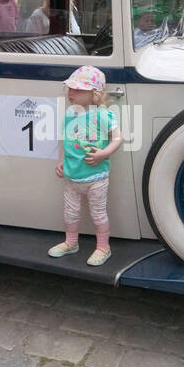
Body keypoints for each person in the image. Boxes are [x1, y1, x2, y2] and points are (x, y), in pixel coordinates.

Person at [47, 66, 122, 267]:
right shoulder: (70, 115)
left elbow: (118, 138)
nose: (72, 93)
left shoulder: (102, 115)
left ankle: (103, 247)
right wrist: (61, 161)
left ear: (95, 94)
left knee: (98, 214)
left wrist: (104, 154)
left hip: (96, 177)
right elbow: (64, 141)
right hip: (72, 177)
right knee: (70, 213)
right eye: (70, 88)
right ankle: (71, 243)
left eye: (78, 90)